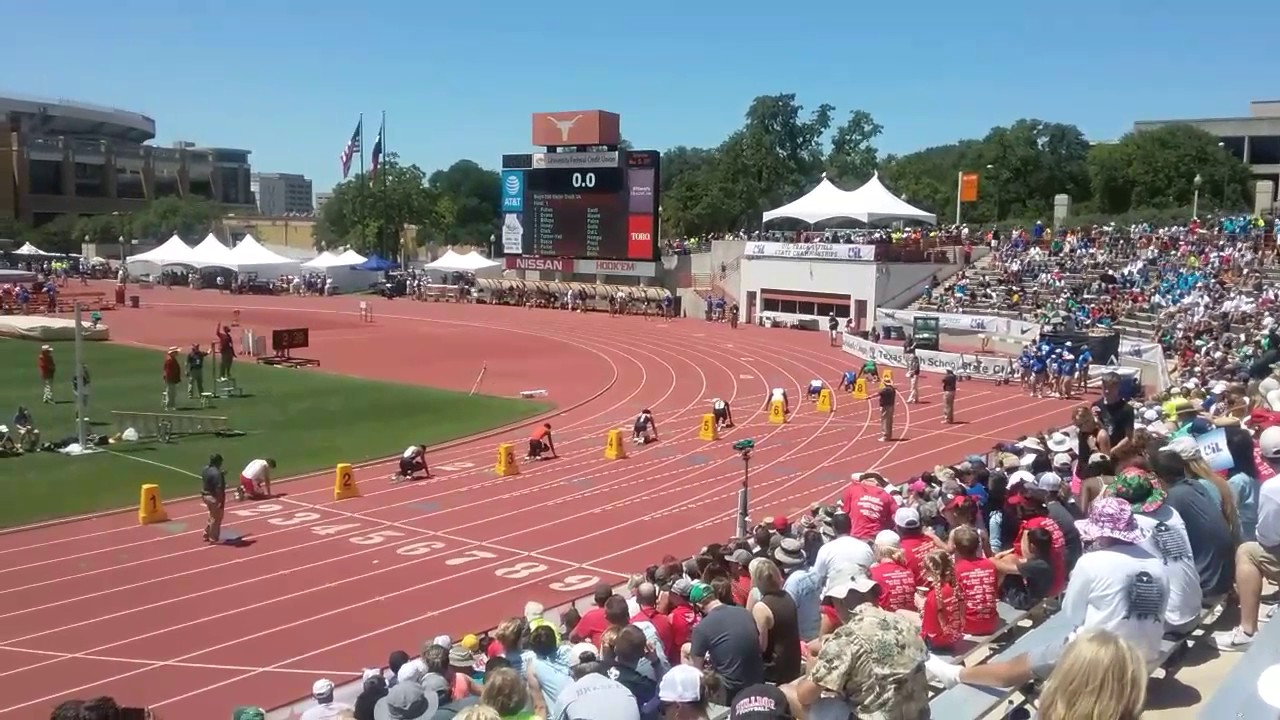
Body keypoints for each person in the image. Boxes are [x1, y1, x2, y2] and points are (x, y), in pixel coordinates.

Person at [201, 453, 227, 544]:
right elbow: (219, 489)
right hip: (213, 497)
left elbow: (211, 478)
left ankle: (206, 534)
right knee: (217, 518)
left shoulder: (205, 469)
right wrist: (220, 501)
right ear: (218, 462)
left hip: (205, 495)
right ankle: (213, 538)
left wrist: (221, 474)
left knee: (212, 516)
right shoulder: (217, 473)